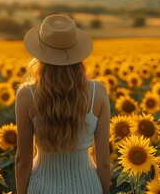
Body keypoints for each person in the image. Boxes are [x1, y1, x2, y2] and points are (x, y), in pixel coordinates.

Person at [15, 14, 111, 194]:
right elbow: (104, 161)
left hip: (41, 187)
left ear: (40, 53)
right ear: (78, 52)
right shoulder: (98, 92)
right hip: (87, 187)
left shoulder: (26, 95)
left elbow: (23, 161)